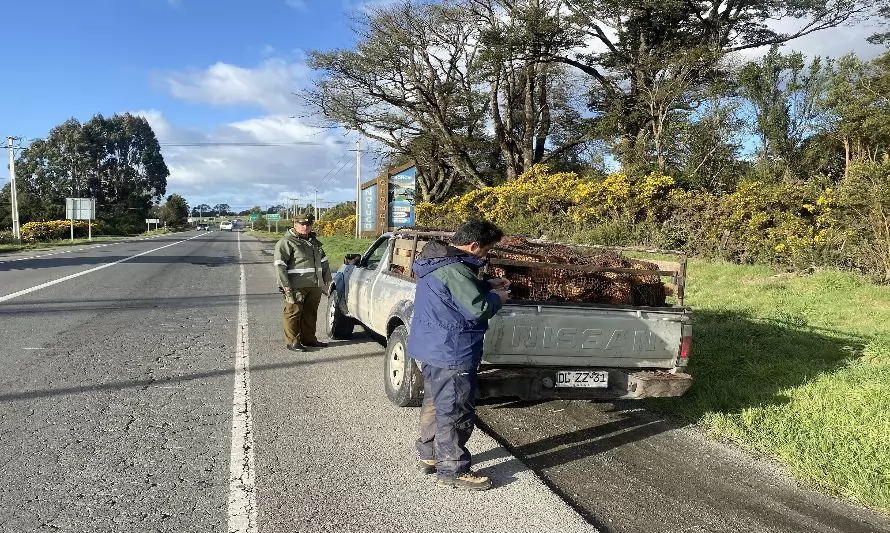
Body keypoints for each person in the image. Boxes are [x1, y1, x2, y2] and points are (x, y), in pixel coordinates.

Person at [407, 219, 510, 491]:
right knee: (455, 410)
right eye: (486, 250)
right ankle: (452, 469)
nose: (486, 255)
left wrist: (487, 283)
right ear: (474, 245)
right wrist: (499, 297)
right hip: (452, 350)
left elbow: (453, 294)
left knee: (434, 404)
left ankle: (429, 456)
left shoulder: (438, 262)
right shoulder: (456, 270)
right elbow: (478, 308)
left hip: (431, 348)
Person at [273, 213, 332, 352]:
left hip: (314, 284)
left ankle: (309, 339)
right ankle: (293, 342)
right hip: (296, 285)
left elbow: (324, 262)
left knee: (310, 313)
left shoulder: (314, 242)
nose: (305, 227)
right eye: (302, 224)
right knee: (293, 312)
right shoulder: (286, 242)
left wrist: (327, 279)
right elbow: (280, 265)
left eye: (308, 224)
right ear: (295, 224)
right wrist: (285, 285)